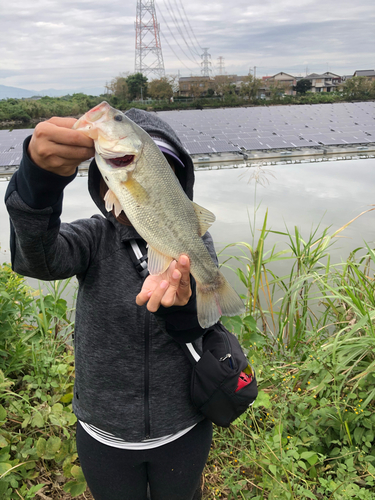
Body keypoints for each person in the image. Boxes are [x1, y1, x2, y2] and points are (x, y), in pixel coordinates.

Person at [4, 108, 218, 500]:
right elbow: (35, 259)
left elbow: (205, 322)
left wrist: (182, 305)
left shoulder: (194, 243)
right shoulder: (92, 237)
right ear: (105, 183)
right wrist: (38, 183)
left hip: (184, 427)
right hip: (104, 435)